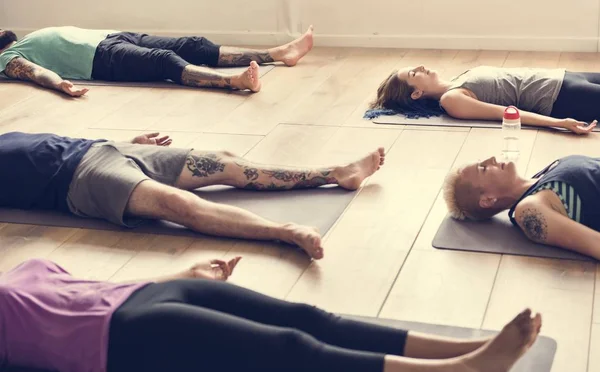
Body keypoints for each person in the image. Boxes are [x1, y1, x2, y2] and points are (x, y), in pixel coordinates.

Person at [0, 257, 542, 372]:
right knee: (291, 349)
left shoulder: (26, 268)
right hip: (123, 345)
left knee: (308, 317)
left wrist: (182, 274)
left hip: (148, 295)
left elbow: (87, 286)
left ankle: (465, 348)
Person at [0, 131, 386, 259]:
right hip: (81, 179)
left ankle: (337, 173)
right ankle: (284, 231)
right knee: (178, 206)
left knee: (227, 162)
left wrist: (129, 141)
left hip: (105, 148)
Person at [0, 25, 315, 95]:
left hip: (111, 37)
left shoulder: (20, 39)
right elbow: (33, 72)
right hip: (100, 59)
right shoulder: (7, 58)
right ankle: (234, 81)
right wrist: (60, 85)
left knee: (191, 44)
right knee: (164, 60)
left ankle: (278, 54)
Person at [443, 155, 600, 260]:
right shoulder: (529, 209)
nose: (491, 158)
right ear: (488, 199)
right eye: (482, 168)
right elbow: (595, 243)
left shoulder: (543, 175)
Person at [368, 65, 600, 135]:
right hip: (560, 96)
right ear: (416, 93)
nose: (420, 67)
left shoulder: (458, 78)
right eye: (413, 74)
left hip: (565, 76)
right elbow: (508, 113)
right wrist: (559, 123)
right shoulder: (452, 100)